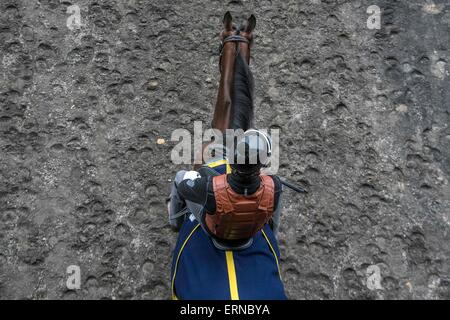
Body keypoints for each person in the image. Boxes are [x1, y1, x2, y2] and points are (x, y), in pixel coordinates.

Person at [167, 128, 283, 250]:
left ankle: (175, 223)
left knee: (180, 175)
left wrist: (207, 180)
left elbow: (183, 187)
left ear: (231, 160)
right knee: (277, 193)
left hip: (216, 234)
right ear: (263, 163)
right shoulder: (276, 184)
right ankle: (273, 235)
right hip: (248, 236)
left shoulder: (210, 187)